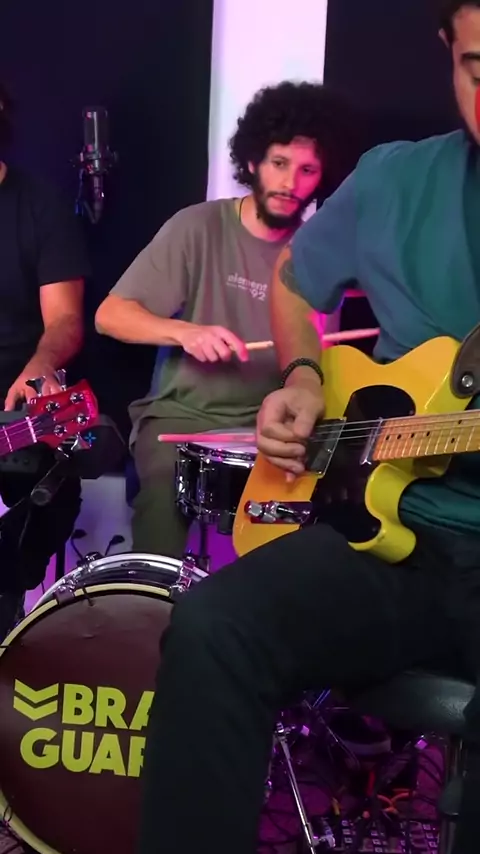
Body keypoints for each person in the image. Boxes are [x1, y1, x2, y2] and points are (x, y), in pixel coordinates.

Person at [136, 3, 480, 853]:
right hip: (396, 539)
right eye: (479, 69)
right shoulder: (395, 180)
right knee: (213, 628)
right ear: (447, 49)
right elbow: (294, 278)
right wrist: (302, 377)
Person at [95, 81, 359, 559]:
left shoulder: (317, 253)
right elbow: (110, 316)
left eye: (307, 170)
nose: (290, 183)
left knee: (325, 517)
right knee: (161, 494)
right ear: (253, 161)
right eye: (279, 163)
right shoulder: (197, 226)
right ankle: (153, 602)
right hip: (183, 417)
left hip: (276, 425)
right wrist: (185, 332)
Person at [0, 82, 89, 638]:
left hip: (17, 411)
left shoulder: (38, 206)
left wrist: (40, 367)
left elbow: (65, 322)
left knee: (46, 501)